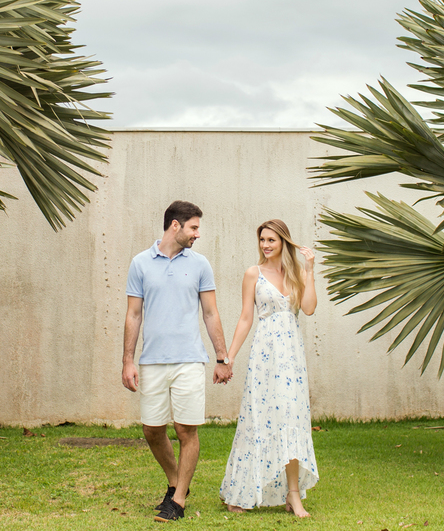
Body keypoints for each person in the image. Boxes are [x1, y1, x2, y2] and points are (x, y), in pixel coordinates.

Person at [123, 200, 233, 522]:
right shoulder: (140, 263)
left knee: (186, 430)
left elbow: (210, 313)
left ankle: (180, 500)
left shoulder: (200, 265)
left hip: (189, 360)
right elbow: (133, 315)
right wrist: (128, 361)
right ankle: (174, 481)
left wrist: (222, 357)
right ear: (175, 225)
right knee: (151, 430)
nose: (197, 234)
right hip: (152, 361)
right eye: (194, 227)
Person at [219, 218, 319, 517]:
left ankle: (293, 496)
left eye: (271, 240)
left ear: (283, 242)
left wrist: (310, 271)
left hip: (291, 357)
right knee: (258, 418)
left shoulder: (297, 273)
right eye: (262, 239)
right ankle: (242, 489)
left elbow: (310, 308)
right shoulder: (253, 273)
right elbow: (246, 318)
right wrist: (230, 356)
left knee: (291, 419)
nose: (265, 245)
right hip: (265, 355)